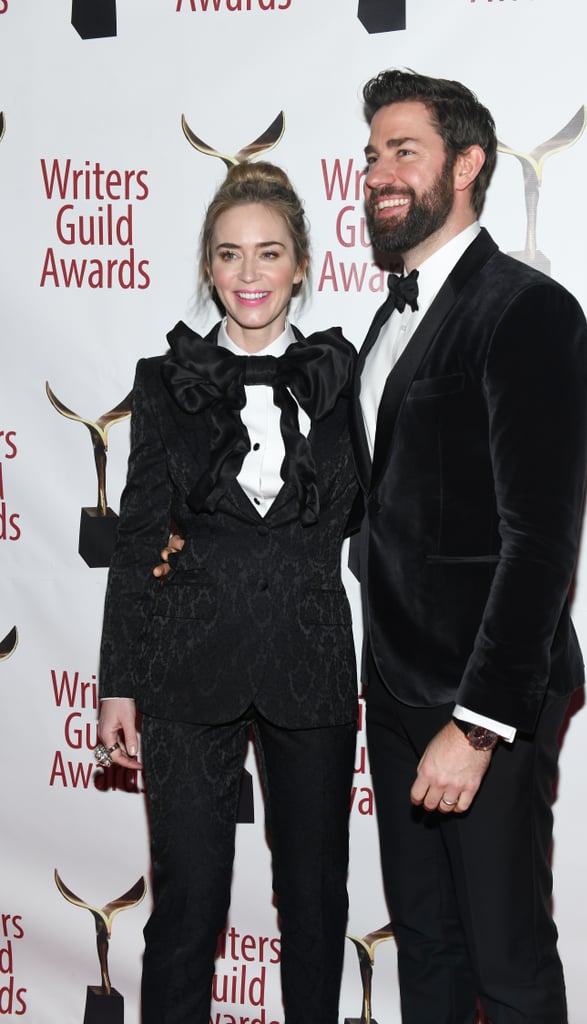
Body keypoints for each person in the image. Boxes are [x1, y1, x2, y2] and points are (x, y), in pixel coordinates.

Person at [349, 70, 587, 1024]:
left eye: (403, 149)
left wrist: (479, 725)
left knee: (507, 963)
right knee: (429, 950)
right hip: (398, 688)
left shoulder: (526, 310)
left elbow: (538, 546)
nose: (378, 172)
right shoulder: (388, 316)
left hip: (482, 702)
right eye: (372, 152)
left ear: (468, 163)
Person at [95, 161, 359, 1024]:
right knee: (186, 912)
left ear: (300, 266)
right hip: (184, 672)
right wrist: (120, 681)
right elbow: (139, 537)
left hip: (310, 662)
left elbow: (363, 512)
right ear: (209, 268)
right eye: (229, 255)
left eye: (268, 254)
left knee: (316, 908)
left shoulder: (337, 376)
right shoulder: (162, 381)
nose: (249, 275)